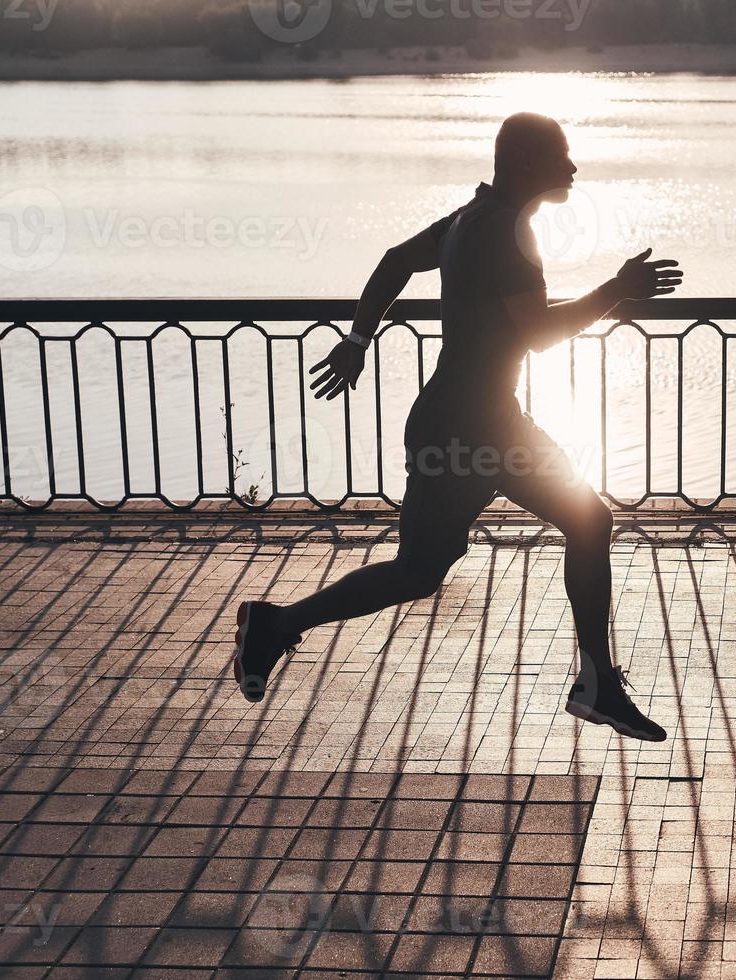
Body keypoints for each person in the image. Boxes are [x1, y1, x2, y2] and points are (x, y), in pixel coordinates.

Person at [232, 113, 683, 742]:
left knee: (425, 568)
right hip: (476, 432)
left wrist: (360, 338)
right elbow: (540, 334)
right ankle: (597, 683)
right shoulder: (505, 233)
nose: (574, 168)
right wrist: (616, 289)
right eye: (563, 156)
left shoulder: (470, 221)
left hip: (466, 424)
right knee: (578, 524)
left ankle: (277, 625)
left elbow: (395, 262)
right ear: (526, 162)